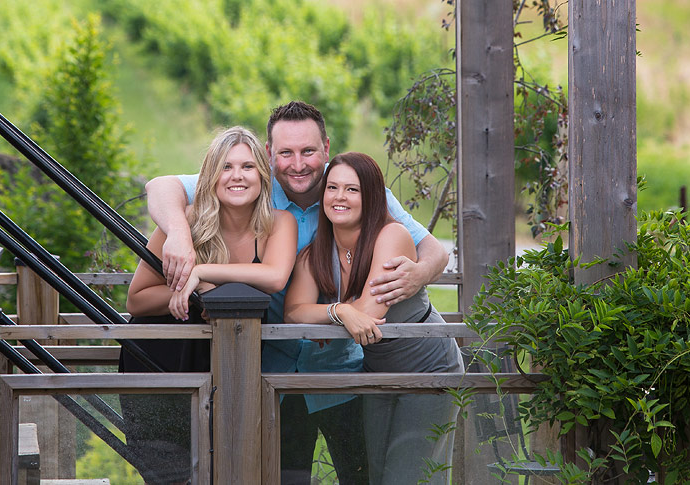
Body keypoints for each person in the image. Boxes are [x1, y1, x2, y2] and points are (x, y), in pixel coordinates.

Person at [143, 101, 449, 484]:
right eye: (286, 153)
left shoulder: (359, 190)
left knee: (368, 475)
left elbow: (434, 248)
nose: (298, 163)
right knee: (284, 476)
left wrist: (418, 274)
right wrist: (179, 236)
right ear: (270, 154)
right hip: (274, 370)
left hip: (347, 370)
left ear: (325, 146)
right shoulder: (250, 181)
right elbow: (159, 186)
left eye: (308, 151)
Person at [120, 126, 297, 485]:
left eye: (247, 167)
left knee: (232, 468)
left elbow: (276, 276)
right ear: (211, 175)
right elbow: (136, 299)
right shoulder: (183, 222)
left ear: (263, 176)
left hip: (232, 362)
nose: (237, 176)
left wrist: (200, 275)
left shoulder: (280, 223)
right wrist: (195, 293)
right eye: (226, 167)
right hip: (163, 358)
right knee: (171, 475)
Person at [285, 152, 463, 485]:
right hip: (377, 370)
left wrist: (338, 313)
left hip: (429, 368)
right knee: (377, 475)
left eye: (352, 190)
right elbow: (294, 310)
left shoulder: (391, 235)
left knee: (408, 476)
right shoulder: (317, 251)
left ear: (372, 197)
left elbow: (370, 314)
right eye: (333, 188)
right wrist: (339, 311)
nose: (340, 197)